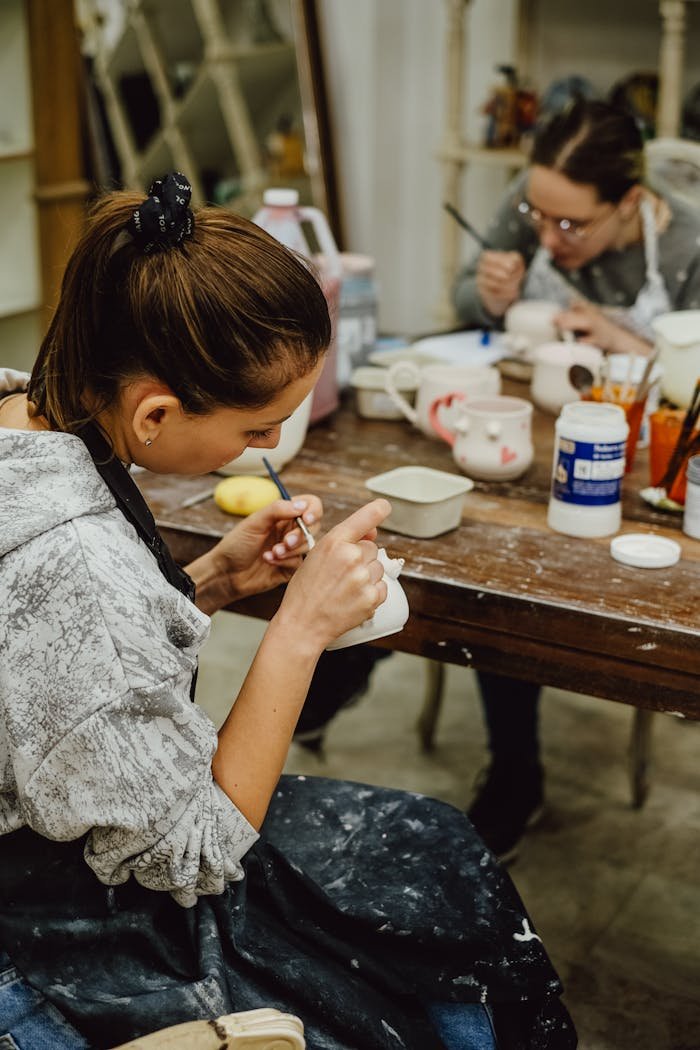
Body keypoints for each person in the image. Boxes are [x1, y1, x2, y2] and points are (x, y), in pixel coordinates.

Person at [0, 173, 576, 1050]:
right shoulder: (73, 557)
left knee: (426, 844)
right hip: (50, 913)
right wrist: (300, 633)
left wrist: (218, 581)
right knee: (432, 902)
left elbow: (55, 680)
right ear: (154, 412)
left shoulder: (22, 409)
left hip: (64, 808)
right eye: (257, 429)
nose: (269, 448)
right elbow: (187, 854)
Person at [453, 98, 700, 862]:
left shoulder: (690, 242)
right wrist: (488, 293)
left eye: (572, 227)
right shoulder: (535, 201)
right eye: (539, 218)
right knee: (496, 576)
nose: (548, 237)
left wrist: (630, 344)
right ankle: (516, 774)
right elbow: (463, 298)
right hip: (528, 434)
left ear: (630, 202)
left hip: (647, 465)